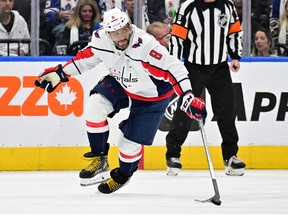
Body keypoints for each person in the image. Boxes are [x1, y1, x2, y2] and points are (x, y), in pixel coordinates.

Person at [34, 7, 207, 194]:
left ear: (129, 26)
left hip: (152, 95)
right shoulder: (100, 38)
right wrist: (61, 72)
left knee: (128, 143)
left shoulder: (146, 46)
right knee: (94, 106)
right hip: (122, 81)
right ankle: (100, 159)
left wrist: (187, 96)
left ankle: (123, 175)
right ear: (108, 33)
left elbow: (175, 68)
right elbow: (85, 59)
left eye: (126, 31)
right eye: (117, 35)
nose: (123, 38)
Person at [165, 0, 246, 177]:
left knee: (226, 111)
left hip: (219, 67)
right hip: (194, 67)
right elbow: (178, 36)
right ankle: (173, 154)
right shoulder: (188, 6)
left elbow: (234, 31)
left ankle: (231, 155)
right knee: (185, 110)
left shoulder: (227, 5)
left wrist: (235, 56)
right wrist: (174, 63)